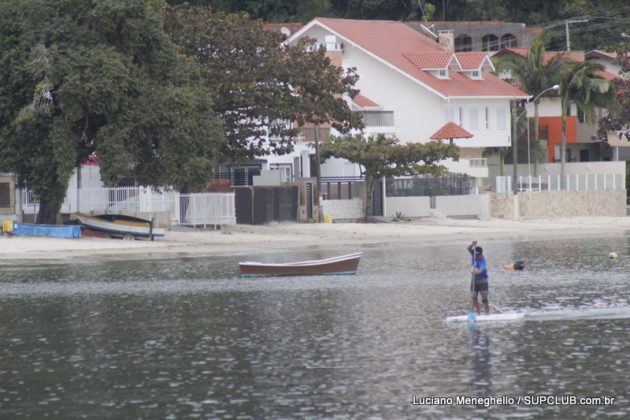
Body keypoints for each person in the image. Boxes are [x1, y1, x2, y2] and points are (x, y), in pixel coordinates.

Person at [467, 240, 489, 315]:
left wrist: (475, 271)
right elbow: (468, 248)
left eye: (478, 255)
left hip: (483, 281)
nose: (476, 256)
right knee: (473, 298)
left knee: (484, 299)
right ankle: (478, 313)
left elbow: (481, 270)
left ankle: (487, 314)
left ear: (481, 254)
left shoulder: (483, 261)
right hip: (474, 281)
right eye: (476, 255)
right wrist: (472, 244)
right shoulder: (474, 254)